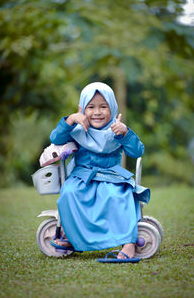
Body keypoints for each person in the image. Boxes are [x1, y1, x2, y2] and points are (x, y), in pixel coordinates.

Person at [50, 82, 150, 260]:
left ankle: (129, 242)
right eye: (91, 107)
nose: (97, 112)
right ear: (82, 108)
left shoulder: (117, 128)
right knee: (69, 193)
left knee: (120, 195)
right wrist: (71, 120)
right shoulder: (78, 128)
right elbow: (55, 138)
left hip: (112, 174)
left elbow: (137, 151)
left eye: (103, 107)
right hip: (83, 175)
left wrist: (125, 133)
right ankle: (72, 237)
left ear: (112, 107)